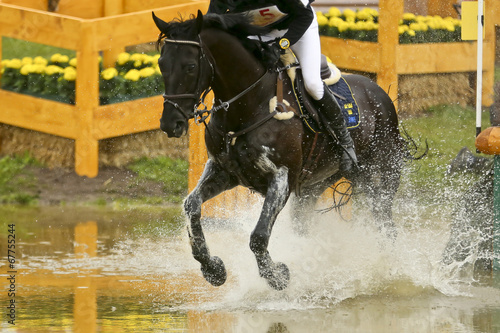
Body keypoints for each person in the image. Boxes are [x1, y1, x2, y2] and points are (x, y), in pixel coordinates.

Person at [207, 0, 358, 173]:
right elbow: (211, 24)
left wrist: (281, 45)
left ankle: (345, 141)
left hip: (297, 27)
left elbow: (304, 16)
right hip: (258, 31)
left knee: (313, 84)